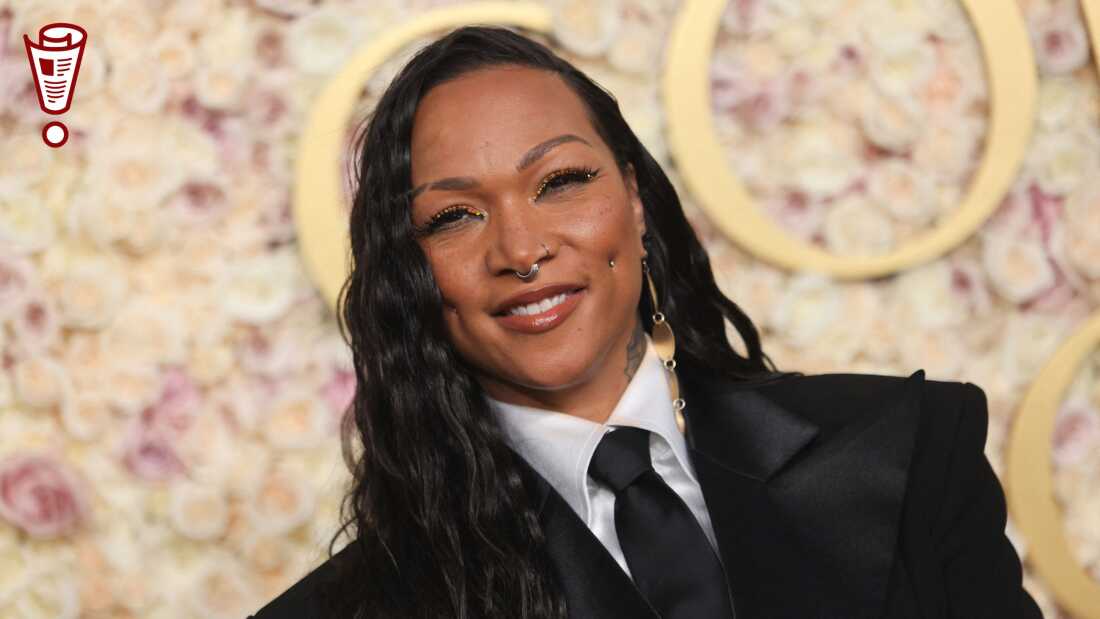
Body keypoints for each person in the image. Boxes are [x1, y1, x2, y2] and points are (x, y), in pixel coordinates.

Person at [249, 25, 1042, 619]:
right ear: (410, 269)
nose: (522, 249)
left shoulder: (910, 450)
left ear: (632, 198)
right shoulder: (348, 609)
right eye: (455, 215)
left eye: (560, 180)